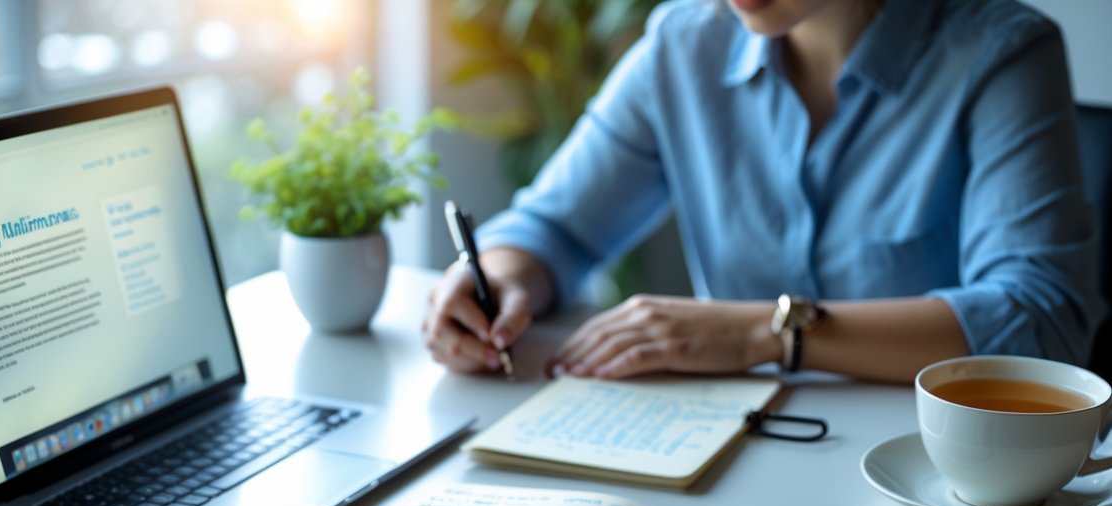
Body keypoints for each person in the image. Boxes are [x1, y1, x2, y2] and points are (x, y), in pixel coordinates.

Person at [422, 0, 1103, 384]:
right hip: (732, 465)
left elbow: (1038, 326)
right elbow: (554, 229)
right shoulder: (682, 46)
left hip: (935, 484)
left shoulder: (1002, 54)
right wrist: (492, 281)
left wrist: (763, 330)